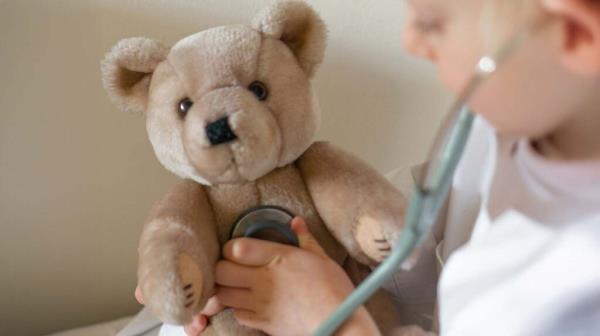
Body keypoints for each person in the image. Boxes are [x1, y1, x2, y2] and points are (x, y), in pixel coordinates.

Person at [139, 0, 600, 334]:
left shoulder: (581, 290)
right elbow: (427, 212)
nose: (410, 42)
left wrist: (334, 320)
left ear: (576, 34)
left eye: (431, 22)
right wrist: (196, 271)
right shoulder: (515, 120)